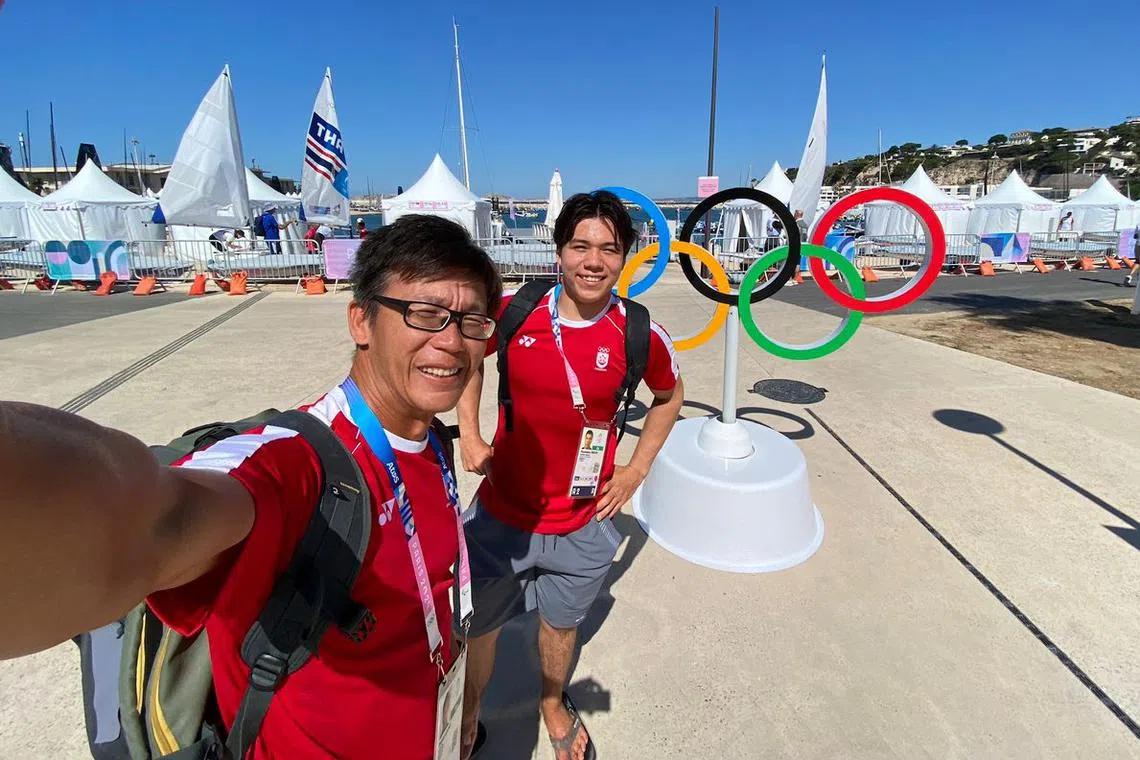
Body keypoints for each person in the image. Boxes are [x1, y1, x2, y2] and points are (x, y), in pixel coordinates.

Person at [0, 214, 503, 760]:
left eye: (471, 320)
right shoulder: (299, 462)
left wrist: (464, 703)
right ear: (361, 321)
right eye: (425, 313)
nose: (452, 341)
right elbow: (148, 518)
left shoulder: (432, 442)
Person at [456, 190, 685, 760]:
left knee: (559, 628)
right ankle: (468, 713)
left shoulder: (638, 332)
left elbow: (670, 394)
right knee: (478, 626)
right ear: (558, 251)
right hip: (501, 513)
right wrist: (469, 431)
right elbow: (466, 358)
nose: (593, 260)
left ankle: (552, 701)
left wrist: (636, 469)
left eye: (609, 249)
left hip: (583, 520)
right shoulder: (517, 311)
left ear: (626, 257)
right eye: (580, 245)